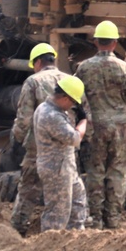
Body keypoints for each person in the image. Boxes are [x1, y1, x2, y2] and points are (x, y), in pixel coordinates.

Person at [75, 21, 126, 229]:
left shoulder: (84, 68)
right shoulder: (124, 68)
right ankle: (113, 218)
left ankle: (94, 219)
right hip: (120, 127)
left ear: (96, 42)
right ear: (115, 43)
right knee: (117, 172)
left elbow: (76, 97)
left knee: (95, 172)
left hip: (94, 127)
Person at [10, 42, 82, 235]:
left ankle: (18, 229)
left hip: (38, 145)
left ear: (38, 62)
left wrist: (16, 142)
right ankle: (73, 234)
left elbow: (24, 118)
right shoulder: (68, 79)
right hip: (64, 146)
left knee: (27, 190)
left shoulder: (33, 81)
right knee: (69, 194)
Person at [33, 75, 90, 232]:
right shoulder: (51, 115)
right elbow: (74, 138)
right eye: (72, 101)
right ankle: (49, 246)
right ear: (65, 97)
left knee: (78, 201)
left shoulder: (51, 109)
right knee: (58, 213)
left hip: (65, 167)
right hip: (56, 169)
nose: (72, 106)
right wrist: (83, 121)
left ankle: (74, 238)